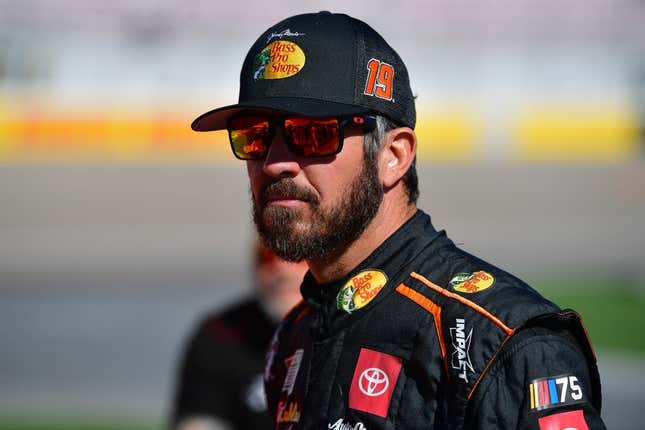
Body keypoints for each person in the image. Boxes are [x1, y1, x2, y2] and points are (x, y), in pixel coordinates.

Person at [190, 11, 607, 430]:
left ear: (393, 157)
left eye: (311, 134)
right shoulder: (294, 336)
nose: (276, 162)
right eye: (256, 135)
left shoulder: (500, 344)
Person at [171, 242, 307, 430]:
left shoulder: (350, 331)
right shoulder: (221, 334)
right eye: (267, 257)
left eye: (298, 257)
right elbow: (199, 422)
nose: (282, 271)